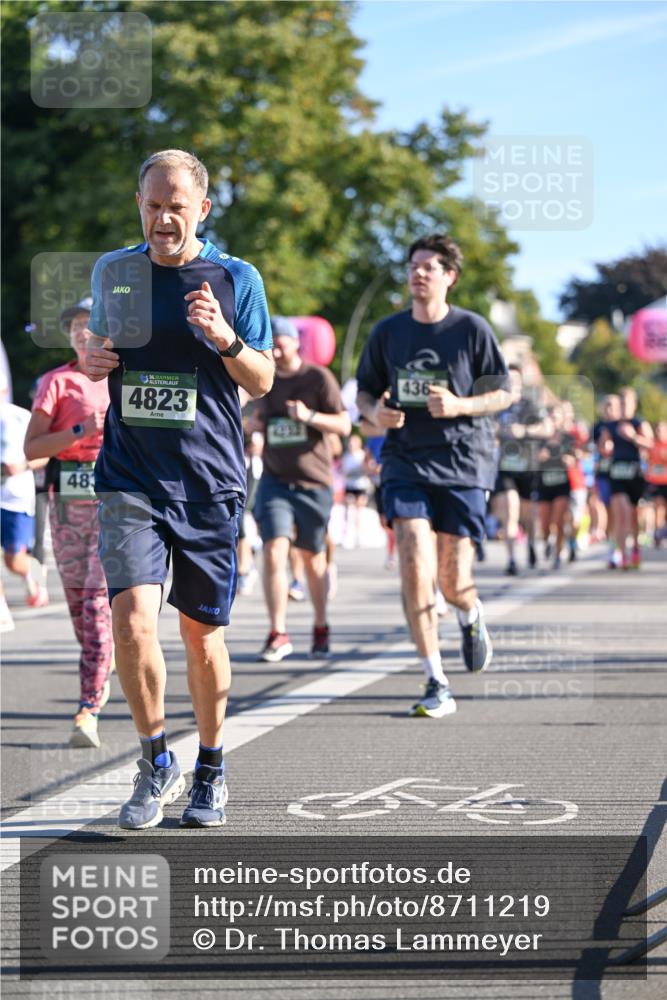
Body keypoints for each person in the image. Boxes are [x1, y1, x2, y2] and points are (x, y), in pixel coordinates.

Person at [84, 149, 274, 829]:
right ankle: (154, 759)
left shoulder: (234, 277)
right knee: (133, 622)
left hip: (208, 483)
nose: (163, 217)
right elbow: (97, 346)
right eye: (151, 204)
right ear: (138, 204)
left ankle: (212, 766)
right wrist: (90, 354)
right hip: (131, 476)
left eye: (175, 205)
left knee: (201, 638)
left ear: (202, 208)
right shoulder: (116, 271)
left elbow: (262, 380)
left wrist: (225, 339)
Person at [356, 233, 511, 719]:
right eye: (414, 266)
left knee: (452, 580)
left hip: (465, 461)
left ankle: (470, 613)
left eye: (429, 266)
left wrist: (463, 405)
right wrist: (374, 417)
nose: (418, 273)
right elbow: (363, 394)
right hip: (406, 462)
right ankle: (435, 678)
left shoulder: (472, 329)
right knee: (414, 566)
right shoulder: (387, 332)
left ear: (450, 276)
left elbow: (503, 393)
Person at [24, 297, 114, 748]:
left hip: (117, 508)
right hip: (67, 508)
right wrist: (81, 432)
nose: (82, 332)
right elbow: (32, 449)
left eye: (91, 325)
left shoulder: (123, 378)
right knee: (81, 610)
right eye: (76, 326)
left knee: (99, 607)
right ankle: (103, 665)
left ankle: (88, 708)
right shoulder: (56, 383)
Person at [252, 316, 351, 662]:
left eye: (281, 342)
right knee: (274, 550)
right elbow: (255, 418)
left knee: (312, 558)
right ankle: (277, 632)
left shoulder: (317, 377)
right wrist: (255, 428)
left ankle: (321, 625)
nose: (276, 349)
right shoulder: (265, 378)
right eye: (271, 343)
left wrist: (309, 418)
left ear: (296, 343)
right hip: (275, 480)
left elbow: (344, 424)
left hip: (314, 481)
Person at [1, 370, 48, 633]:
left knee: (13, 561)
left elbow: (45, 454)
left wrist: (20, 466)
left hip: (16, 499)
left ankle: (29, 574)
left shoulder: (19, 417)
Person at [493, 364, 547, 575]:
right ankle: (511, 559)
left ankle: (532, 544)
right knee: (510, 511)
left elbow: (546, 428)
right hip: (505, 467)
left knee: (529, 516)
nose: (511, 383)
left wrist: (523, 431)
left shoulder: (530, 405)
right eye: (507, 379)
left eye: (515, 380)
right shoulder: (497, 407)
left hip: (528, 467)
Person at [599, 386, 653, 569]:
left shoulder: (639, 423)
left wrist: (634, 437)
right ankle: (621, 555)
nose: (623, 407)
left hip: (635, 474)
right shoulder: (611, 426)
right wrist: (605, 448)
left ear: (633, 405)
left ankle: (635, 548)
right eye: (620, 403)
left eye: (626, 403)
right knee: (620, 514)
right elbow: (603, 447)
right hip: (617, 474)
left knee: (633, 516)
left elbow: (651, 444)